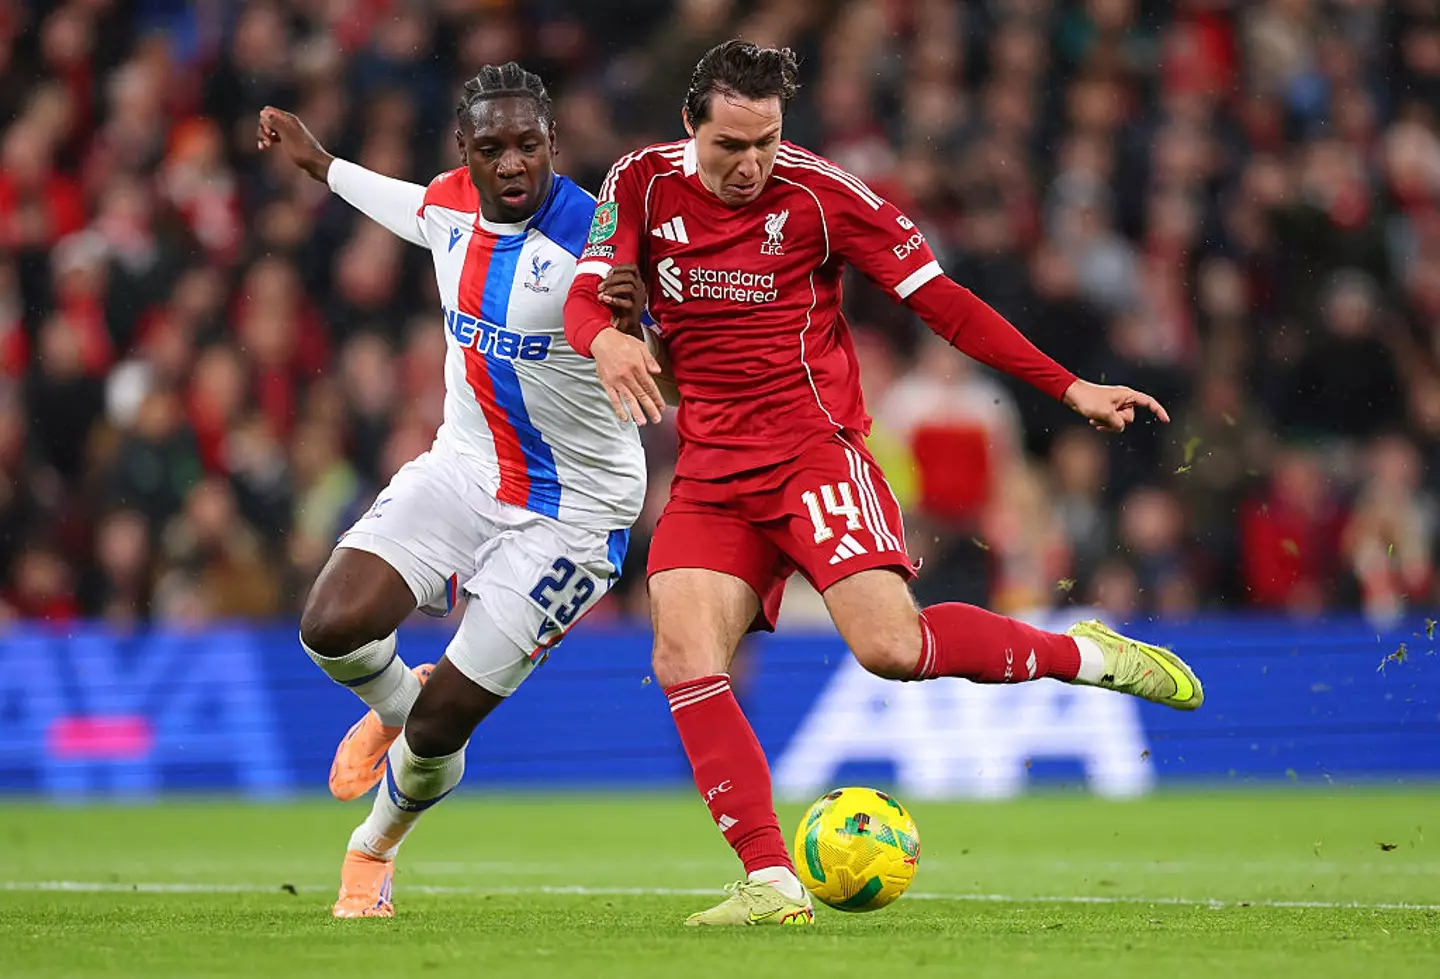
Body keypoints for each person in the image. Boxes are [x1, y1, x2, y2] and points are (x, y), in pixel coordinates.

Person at [564, 40, 1204, 927]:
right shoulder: (637, 182)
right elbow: (587, 291)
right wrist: (603, 336)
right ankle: (771, 879)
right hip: (711, 468)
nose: (750, 165)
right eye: (729, 147)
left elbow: (942, 300)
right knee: (681, 655)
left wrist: (1070, 386)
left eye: (766, 143)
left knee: (891, 650)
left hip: (814, 452)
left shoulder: (825, 196)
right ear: (690, 128)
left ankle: (1086, 653)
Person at [258, 62, 649, 919]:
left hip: (577, 513)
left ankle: (372, 849)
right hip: (468, 466)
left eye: (529, 146)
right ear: (465, 152)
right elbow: (411, 207)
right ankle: (396, 703)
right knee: (328, 626)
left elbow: (656, 346)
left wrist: (633, 325)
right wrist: (321, 164)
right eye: (493, 148)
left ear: (553, 143)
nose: (513, 164)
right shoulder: (450, 203)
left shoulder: (598, 237)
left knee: (444, 728)